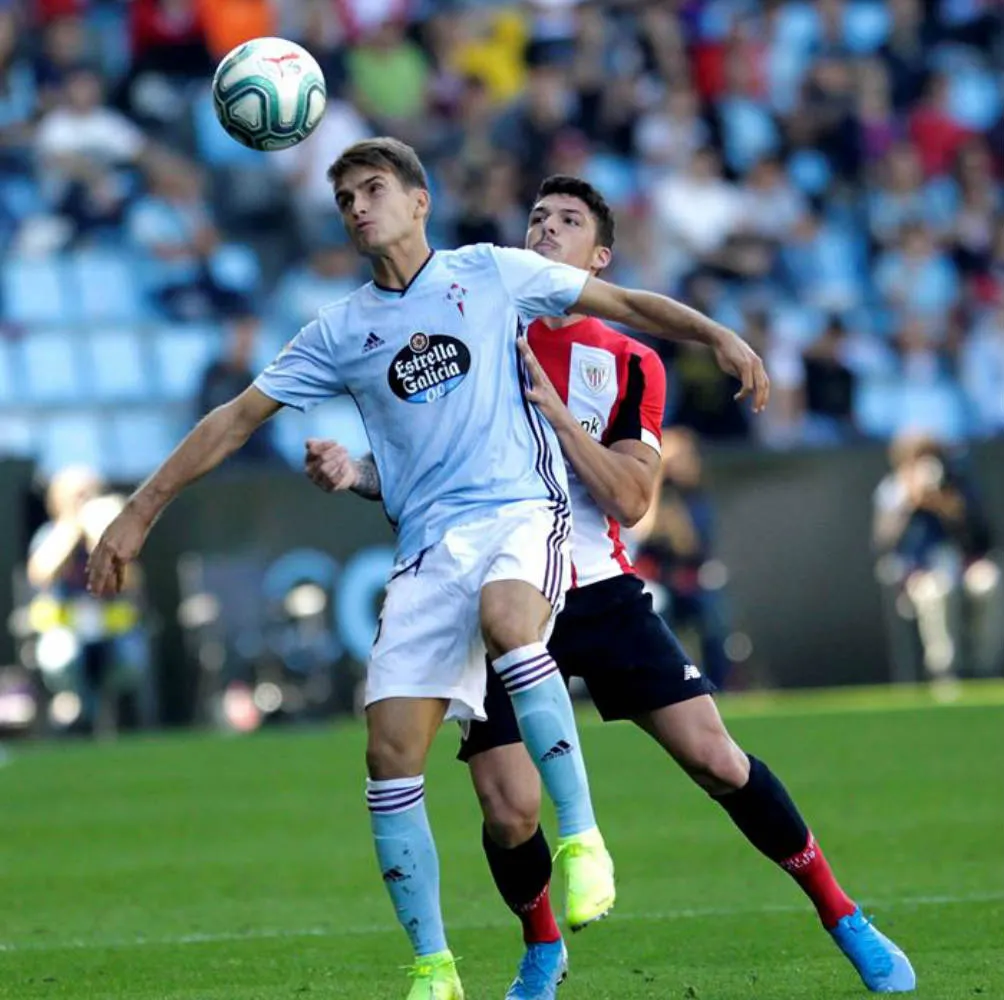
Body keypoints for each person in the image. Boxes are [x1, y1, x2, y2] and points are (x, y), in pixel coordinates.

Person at [86, 137, 768, 1000]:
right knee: (389, 752)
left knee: (511, 621)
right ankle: (435, 965)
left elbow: (624, 300)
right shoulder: (340, 331)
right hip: (424, 551)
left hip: (520, 515)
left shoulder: (491, 272)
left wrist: (719, 335)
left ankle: (582, 839)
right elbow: (235, 418)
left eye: (373, 189)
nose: (358, 208)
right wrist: (139, 510)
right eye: (345, 199)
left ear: (419, 201)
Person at [306, 175, 915, 998]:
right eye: (536, 218)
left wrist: (559, 417)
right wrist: (357, 473)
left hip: (592, 583)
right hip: (494, 583)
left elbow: (631, 500)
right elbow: (422, 474)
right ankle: (542, 947)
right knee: (508, 809)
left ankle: (843, 914)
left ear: (598, 258)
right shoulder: (474, 321)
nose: (544, 229)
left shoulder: (628, 361)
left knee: (715, 758)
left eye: (567, 221)